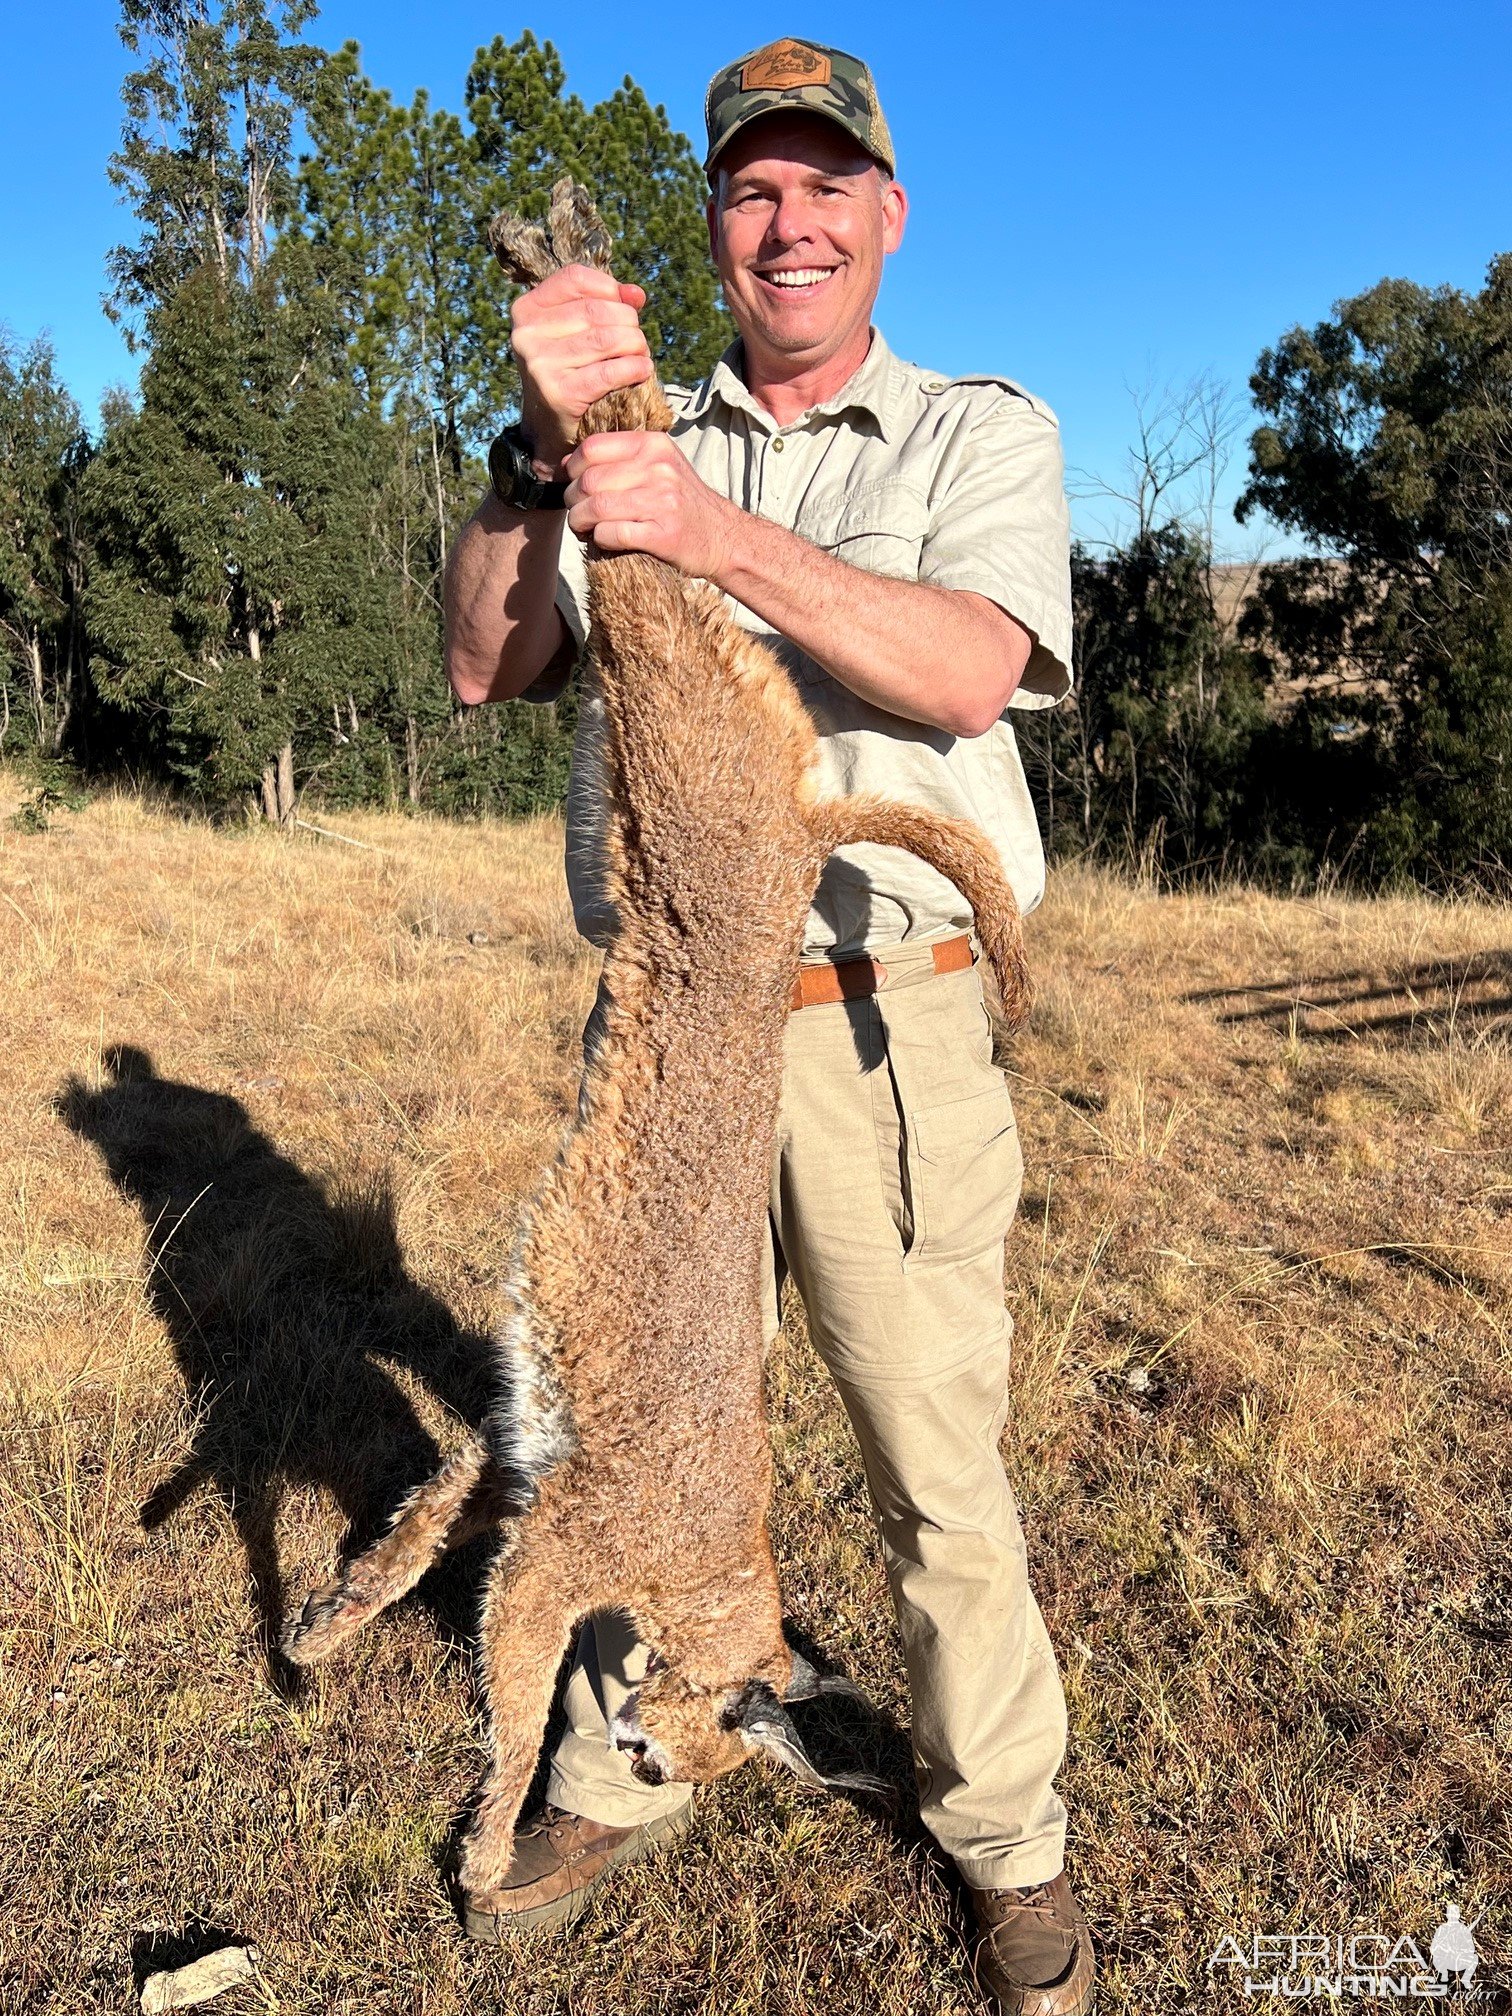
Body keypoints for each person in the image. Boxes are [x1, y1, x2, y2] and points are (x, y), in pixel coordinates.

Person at [443, 38, 1094, 2016]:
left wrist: (708, 540)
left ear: (888, 217)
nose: (788, 221)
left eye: (827, 185)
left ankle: (1003, 1836)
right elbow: (486, 662)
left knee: (932, 1467)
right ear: (716, 227)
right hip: (673, 1043)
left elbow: (971, 670)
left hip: (888, 1020)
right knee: (645, 1441)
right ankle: (633, 1762)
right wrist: (536, 456)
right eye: (751, 188)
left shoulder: (977, 434)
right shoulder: (634, 432)